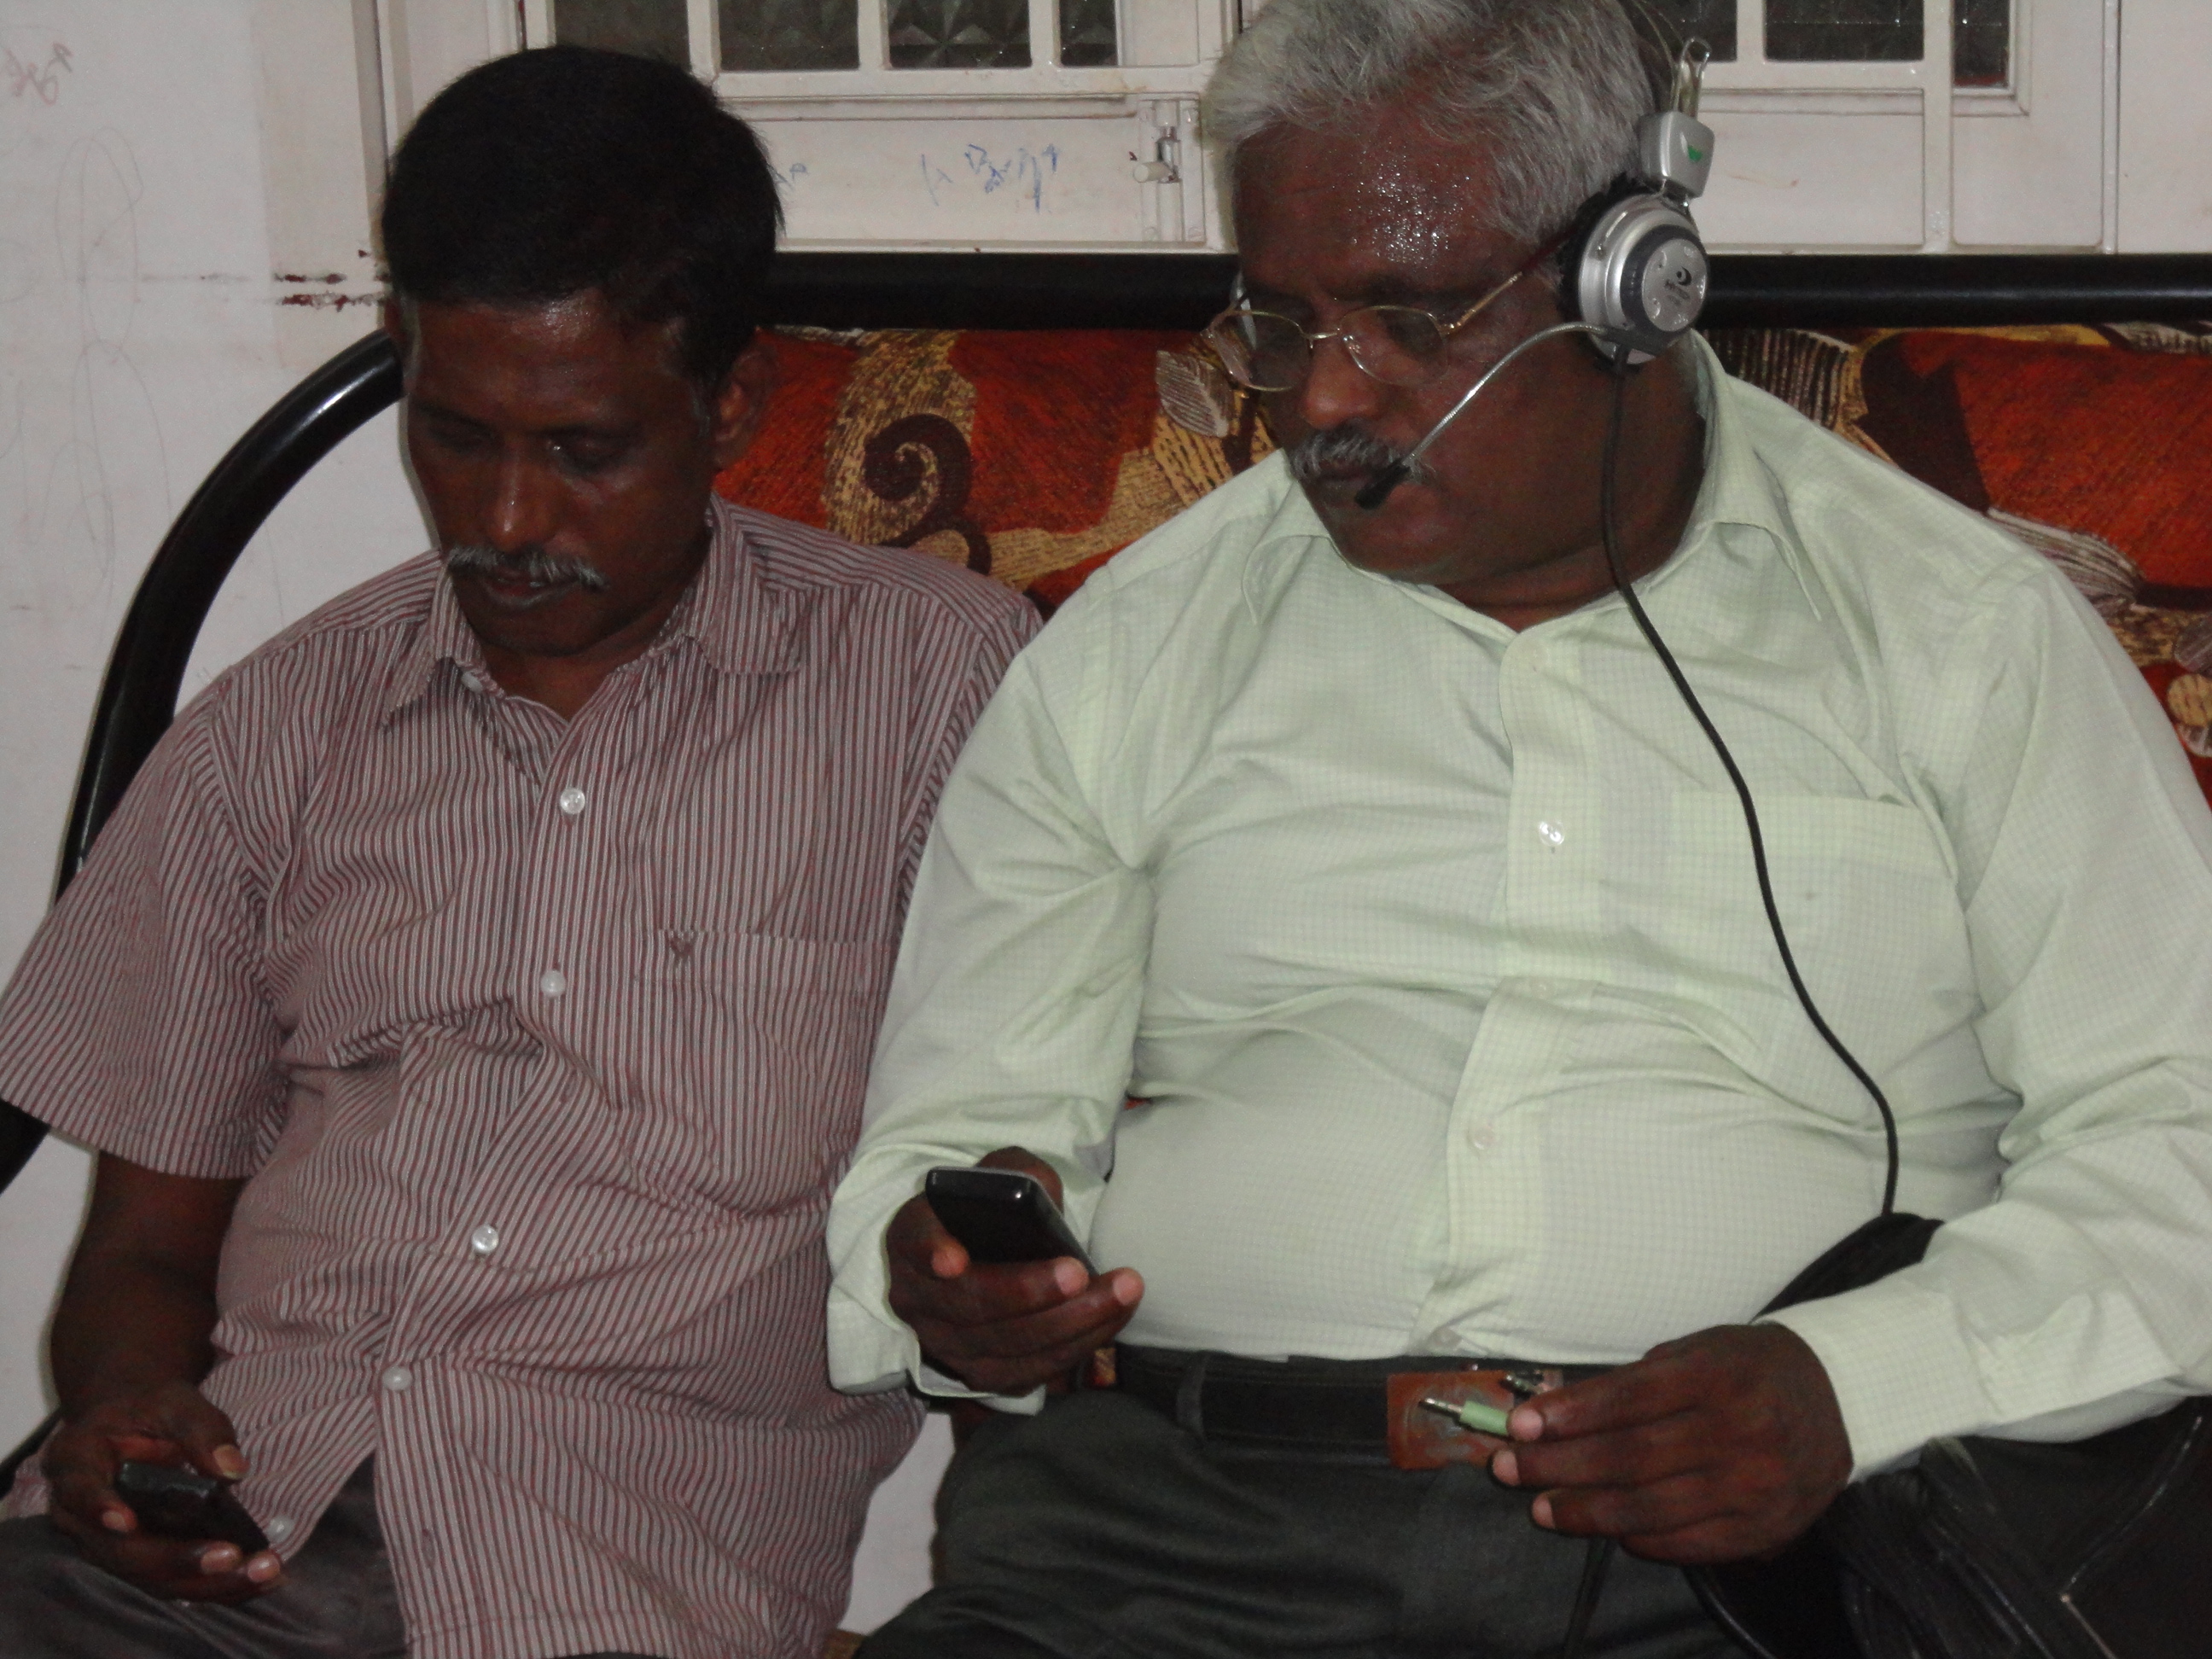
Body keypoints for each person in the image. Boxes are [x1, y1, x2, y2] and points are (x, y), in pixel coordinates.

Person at [824, 2, 2212, 1655]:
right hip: (1163, 1548)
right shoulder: (1146, 639)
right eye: (1282, 321)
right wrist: (957, 1266)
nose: (1323, 397)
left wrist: (1853, 1383)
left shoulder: (1960, 637)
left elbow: (2182, 1150)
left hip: (1753, 1569)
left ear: (1634, 286)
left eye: (1408, 319)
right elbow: (960, 1121)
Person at [0, 44, 1038, 1659]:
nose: (503, 522)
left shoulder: (941, 691)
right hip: (228, 1556)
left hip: (620, 1577)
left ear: (732, 405)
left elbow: (1044, 1176)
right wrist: (127, 1411)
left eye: (581, 451)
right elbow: (142, 1246)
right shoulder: (282, 725)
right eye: (453, 435)